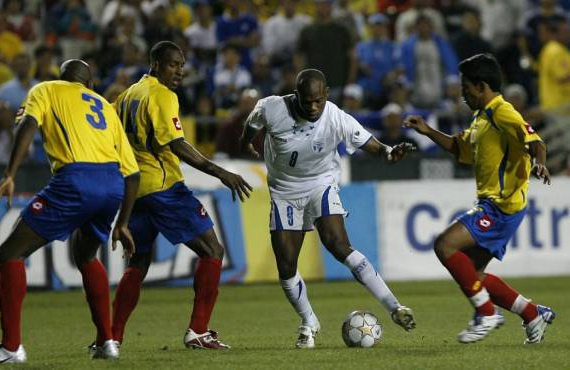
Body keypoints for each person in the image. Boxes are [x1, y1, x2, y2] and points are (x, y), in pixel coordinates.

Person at [0, 59, 140, 364]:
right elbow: (133, 173)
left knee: (10, 253)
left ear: (62, 78)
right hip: (113, 185)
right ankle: (107, 342)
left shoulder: (46, 89)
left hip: (76, 180)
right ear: (88, 84)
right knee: (86, 255)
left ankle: (11, 349)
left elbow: (28, 124)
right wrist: (124, 222)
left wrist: (10, 173)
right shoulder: (103, 105)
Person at [238, 69, 416, 349]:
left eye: (318, 101)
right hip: (284, 192)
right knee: (285, 266)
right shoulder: (272, 108)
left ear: (327, 95)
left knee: (337, 244)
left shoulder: (335, 117)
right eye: (307, 101)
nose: (313, 107)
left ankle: (394, 307)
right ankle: (309, 321)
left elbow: (372, 144)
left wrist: (388, 152)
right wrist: (247, 139)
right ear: (296, 95)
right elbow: (252, 122)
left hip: (321, 184)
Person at [404, 53, 556, 344]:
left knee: (445, 245)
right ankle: (532, 314)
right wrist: (427, 130)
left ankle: (486, 313)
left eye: (466, 89)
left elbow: (535, 140)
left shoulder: (503, 112)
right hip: (495, 205)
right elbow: (458, 149)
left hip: (502, 206)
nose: (462, 95)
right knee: (473, 274)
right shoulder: (481, 119)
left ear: (482, 86)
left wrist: (539, 162)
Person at [111, 41, 252, 350]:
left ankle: (112, 337)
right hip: (164, 188)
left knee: (138, 262)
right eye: (174, 64)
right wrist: (221, 172)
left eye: (182, 65)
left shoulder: (126, 96)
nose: (180, 71)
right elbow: (176, 144)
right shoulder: (162, 95)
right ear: (156, 64)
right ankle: (198, 331)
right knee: (212, 251)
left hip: (134, 189)